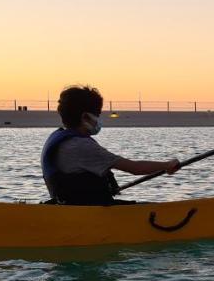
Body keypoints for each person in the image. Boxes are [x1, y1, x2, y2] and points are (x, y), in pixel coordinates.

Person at [41, 85, 178, 205]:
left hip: (72, 206)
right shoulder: (82, 146)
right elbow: (135, 168)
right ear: (86, 117)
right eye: (98, 114)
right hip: (89, 212)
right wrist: (166, 165)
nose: (99, 120)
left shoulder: (57, 138)